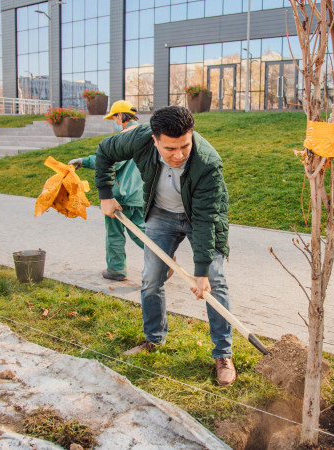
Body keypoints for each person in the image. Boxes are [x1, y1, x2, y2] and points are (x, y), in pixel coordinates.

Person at [93, 105, 236, 386]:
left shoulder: (207, 162)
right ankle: (153, 339)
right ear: (154, 139)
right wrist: (105, 195)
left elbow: (207, 218)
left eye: (184, 145)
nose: (179, 154)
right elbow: (104, 152)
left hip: (200, 217)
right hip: (161, 215)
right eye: (170, 148)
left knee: (215, 283)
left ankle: (223, 353)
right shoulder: (137, 138)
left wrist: (202, 271)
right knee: (151, 278)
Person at [69, 100, 145, 282]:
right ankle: (163, 257)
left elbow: (110, 161)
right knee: (141, 231)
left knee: (114, 234)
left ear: (121, 116)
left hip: (119, 195)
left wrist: (83, 161)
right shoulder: (144, 135)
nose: (114, 120)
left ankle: (116, 269)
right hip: (140, 194)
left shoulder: (125, 137)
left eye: (114, 117)